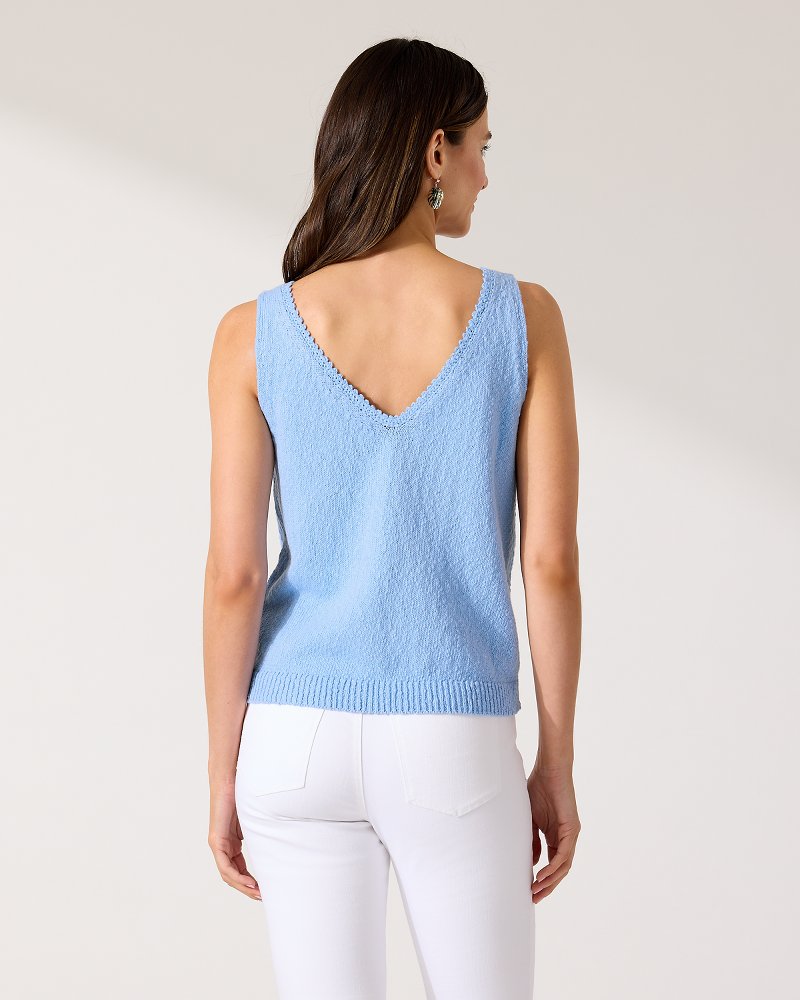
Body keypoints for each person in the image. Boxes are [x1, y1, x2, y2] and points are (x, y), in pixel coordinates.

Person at [203, 37, 581, 1000]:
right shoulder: (522, 318)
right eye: (482, 147)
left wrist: (223, 770)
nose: (486, 175)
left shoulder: (253, 333)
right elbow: (548, 563)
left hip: (292, 737)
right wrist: (556, 759)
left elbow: (234, 577)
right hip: (451, 736)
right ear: (434, 151)